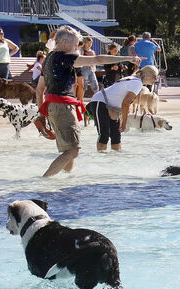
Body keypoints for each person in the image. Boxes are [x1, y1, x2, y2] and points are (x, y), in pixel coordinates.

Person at [36, 26, 140, 177]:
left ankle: (67, 180)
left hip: (53, 107)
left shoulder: (49, 58)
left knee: (69, 151)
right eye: (75, 45)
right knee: (73, 150)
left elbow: (39, 90)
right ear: (64, 42)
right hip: (63, 106)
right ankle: (44, 180)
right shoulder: (64, 57)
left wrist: (42, 114)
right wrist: (128, 58)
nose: (77, 49)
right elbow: (97, 59)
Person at [86, 65, 158, 152]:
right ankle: (101, 159)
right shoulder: (137, 83)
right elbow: (125, 103)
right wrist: (124, 122)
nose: (156, 79)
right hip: (99, 101)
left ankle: (115, 160)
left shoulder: (132, 79)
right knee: (104, 134)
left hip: (111, 106)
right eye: (155, 76)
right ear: (148, 76)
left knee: (116, 135)